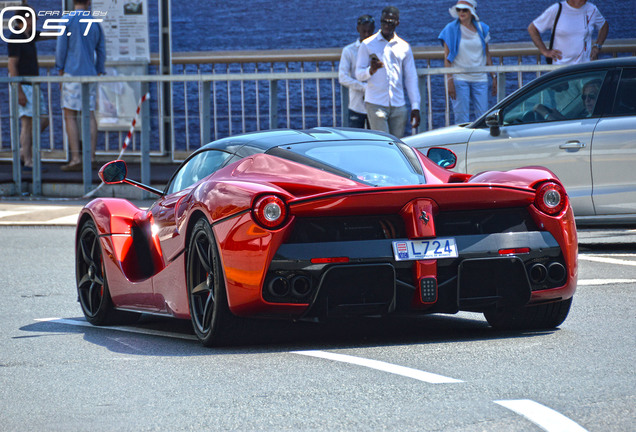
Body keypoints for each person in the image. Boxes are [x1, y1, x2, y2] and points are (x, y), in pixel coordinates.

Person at [55, 0, 106, 171]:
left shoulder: (67, 20)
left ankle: (76, 158)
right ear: (89, 2)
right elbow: (101, 49)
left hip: (71, 72)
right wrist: (99, 69)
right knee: (89, 113)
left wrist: (60, 68)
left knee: (70, 114)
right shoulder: (94, 22)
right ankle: (90, 157)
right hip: (90, 73)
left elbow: (61, 48)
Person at [355, 6, 420, 138]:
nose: (386, 25)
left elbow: (411, 77)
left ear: (397, 23)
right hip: (375, 103)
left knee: (397, 145)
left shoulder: (404, 47)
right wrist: (371, 70)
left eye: (390, 22)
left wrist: (415, 106)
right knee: (384, 145)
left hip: (398, 105)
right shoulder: (367, 44)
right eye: (384, 21)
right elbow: (359, 74)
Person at [7, 6, 52, 170]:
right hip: (23, 85)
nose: (34, 22)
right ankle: (28, 160)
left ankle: (22, 152)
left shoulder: (30, 36)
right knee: (27, 123)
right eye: (32, 19)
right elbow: (12, 64)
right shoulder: (16, 37)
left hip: (33, 84)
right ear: (24, 20)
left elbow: (49, 35)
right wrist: (18, 90)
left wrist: (67, 32)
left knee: (43, 120)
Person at [438, 0, 496, 124]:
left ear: (472, 12)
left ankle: (480, 143)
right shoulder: (450, 29)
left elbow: (487, 55)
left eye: (465, 10)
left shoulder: (482, 28)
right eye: (459, 9)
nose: (461, 12)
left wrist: (494, 76)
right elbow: (447, 57)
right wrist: (449, 80)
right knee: (461, 119)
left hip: (480, 78)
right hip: (459, 79)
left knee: (483, 118)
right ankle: (461, 143)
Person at [528, 0, 608, 65]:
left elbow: (604, 26)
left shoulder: (592, 9)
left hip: (584, 69)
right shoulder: (557, 9)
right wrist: (544, 51)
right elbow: (532, 28)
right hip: (560, 70)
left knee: (591, 85)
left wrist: (597, 46)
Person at [338, 15, 375, 129]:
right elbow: (342, 77)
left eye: (369, 31)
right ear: (358, 29)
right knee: (355, 140)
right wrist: (363, 87)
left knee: (377, 141)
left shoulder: (379, 49)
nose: (367, 34)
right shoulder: (349, 51)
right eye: (364, 31)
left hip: (376, 104)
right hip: (356, 105)